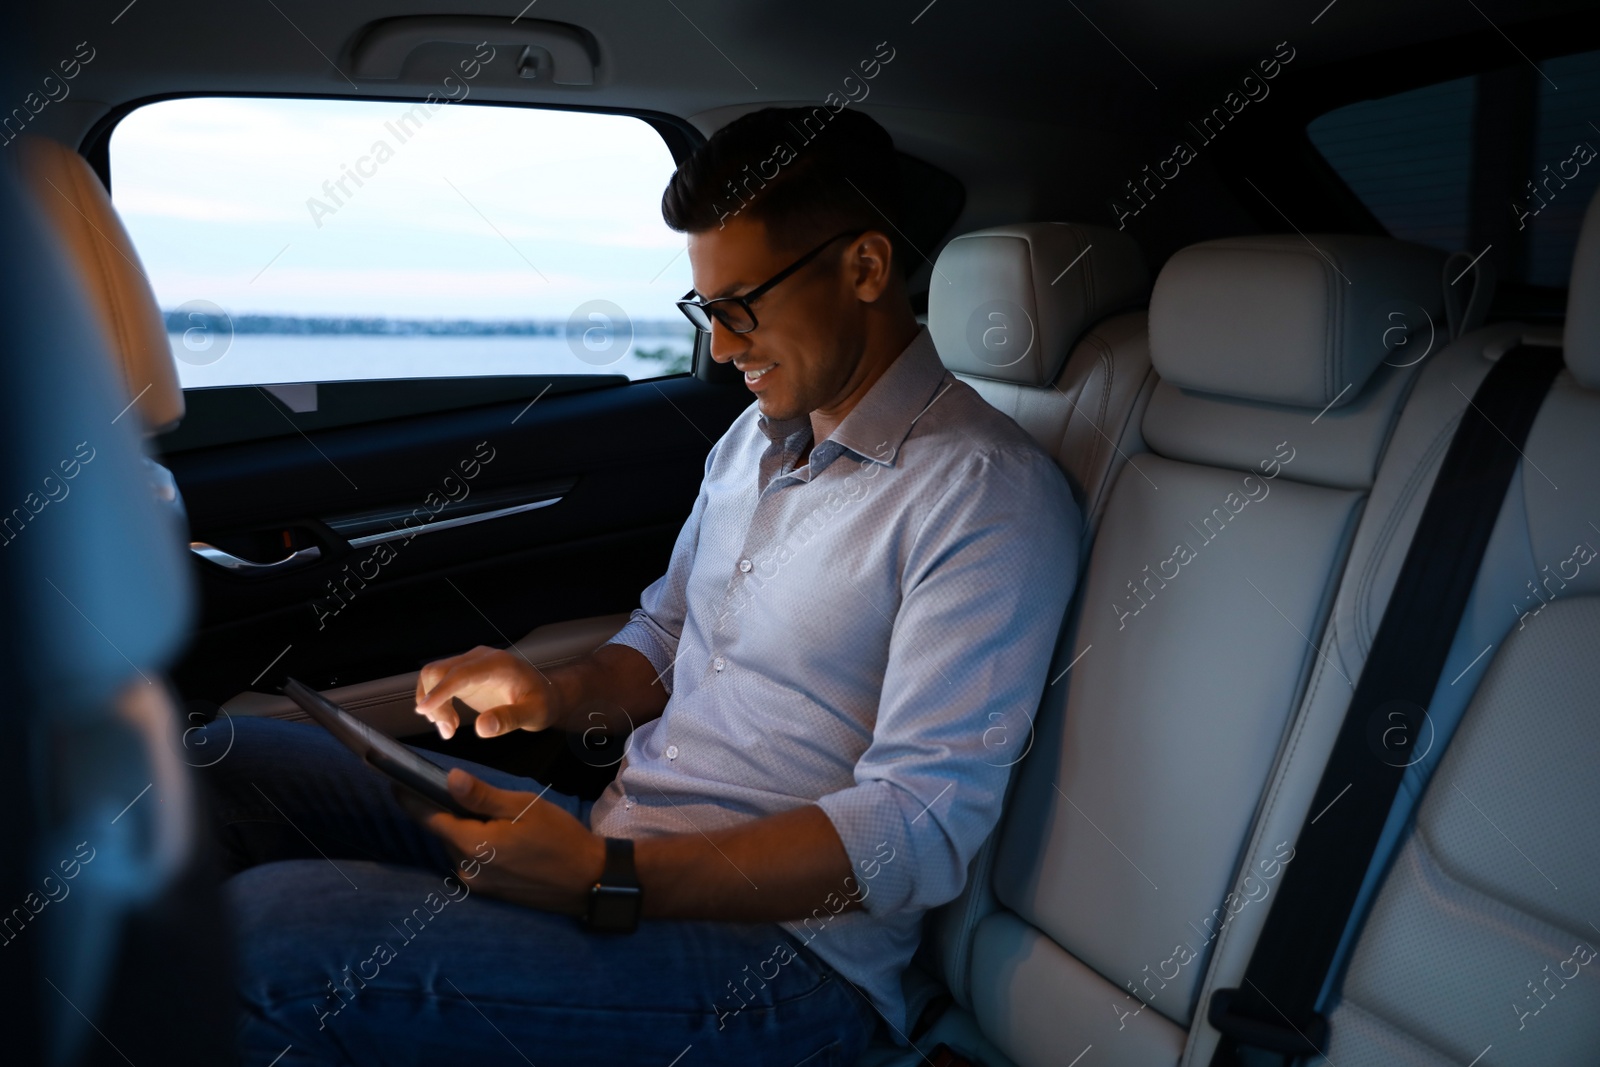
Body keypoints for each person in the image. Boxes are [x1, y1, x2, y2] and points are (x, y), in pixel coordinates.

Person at [201, 105, 1079, 1066]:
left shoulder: (983, 496)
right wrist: (556, 693)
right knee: (229, 762)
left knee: (266, 942)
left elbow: (919, 826)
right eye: (706, 311)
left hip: (786, 970)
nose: (719, 349)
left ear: (866, 269)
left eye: (740, 307)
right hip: (625, 846)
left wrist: (607, 877)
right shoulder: (751, 442)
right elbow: (660, 641)